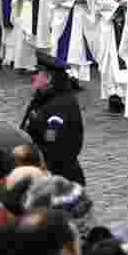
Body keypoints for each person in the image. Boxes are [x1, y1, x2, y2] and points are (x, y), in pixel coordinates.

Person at [19, 51, 85, 185]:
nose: (33, 77)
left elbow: (53, 149)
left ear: (48, 78)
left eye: (37, 73)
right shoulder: (43, 97)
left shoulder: (59, 106)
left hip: (59, 180)